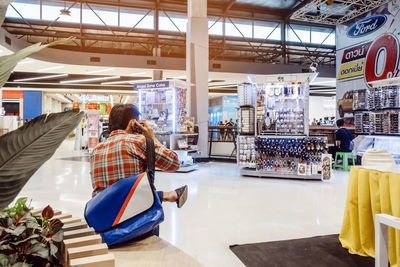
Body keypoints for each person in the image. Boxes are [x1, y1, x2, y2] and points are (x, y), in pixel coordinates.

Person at [89, 104, 188, 210]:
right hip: (132, 214)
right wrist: (152, 138)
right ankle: (166, 195)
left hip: (103, 215)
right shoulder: (138, 141)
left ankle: (166, 195)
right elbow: (174, 163)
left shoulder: (96, 150)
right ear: (133, 123)